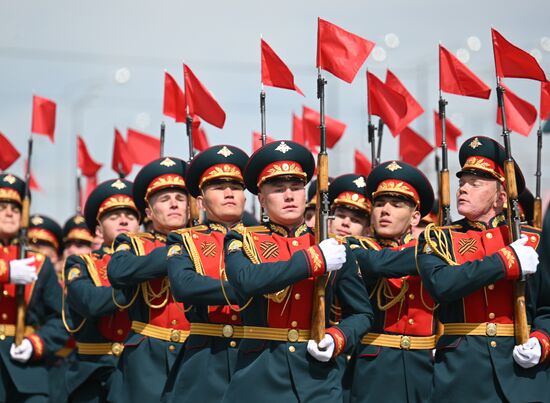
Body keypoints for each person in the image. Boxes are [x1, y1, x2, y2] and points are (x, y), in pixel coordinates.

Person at [221, 140, 373, 403]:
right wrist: (313, 259)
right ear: (261, 198)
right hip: (259, 374)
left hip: (317, 380)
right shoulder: (241, 239)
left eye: (296, 188)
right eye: (279, 189)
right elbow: (246, 281)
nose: (289, 195)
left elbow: (361, 313)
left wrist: (337, 338)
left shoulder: (331, 245)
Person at [416, 136, 548, 402]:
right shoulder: (438, 239)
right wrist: (504, 261)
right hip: (462, 375)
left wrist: (542, 340)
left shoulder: (534, 240)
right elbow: (442, 285)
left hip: (523, 377)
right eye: (462, 182)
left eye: (475, 184)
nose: (463, 189)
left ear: (500, 197)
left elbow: (547, 307)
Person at [163, 145, 249, 402]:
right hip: (205, 359)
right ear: (200, 202)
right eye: (218, 187)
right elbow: (184, 285)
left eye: (235, 187)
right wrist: (251, 286)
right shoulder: (183, 239)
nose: (228, 193)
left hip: (255, 353)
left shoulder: (262, 239)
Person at [346, 160, 436, 403]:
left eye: (396, 205)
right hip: (376, 365)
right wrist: (435, 253)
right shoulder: (355, 247)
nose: (384, 210)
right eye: (378, 204)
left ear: (415, 217)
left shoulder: (426, 249)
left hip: (427, 363)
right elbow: (377, 263)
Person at [107, 157, 190, 402]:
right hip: (147, 356)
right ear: (149, 212)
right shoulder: (132, 242)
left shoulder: (207, 241)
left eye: (180, 198)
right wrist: (177, 252)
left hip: (194, 351)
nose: (174, 205)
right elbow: (118, 271)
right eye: (165, 200)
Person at [63, 178, 140, 402]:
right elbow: (91, 302)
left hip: (137, 369)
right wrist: (136, 289)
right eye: (113, 217)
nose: (124, 220)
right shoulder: (81, 263)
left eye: (131, 216)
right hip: (91, 372)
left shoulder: (148, 261)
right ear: (98, 229)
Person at [0, 173, 67, 402]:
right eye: (2, 206)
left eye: (16, 208)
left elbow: (61, 318)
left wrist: (35, 343)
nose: (9, 212)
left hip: (26, 371)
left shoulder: (39, 263)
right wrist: (6, 273)